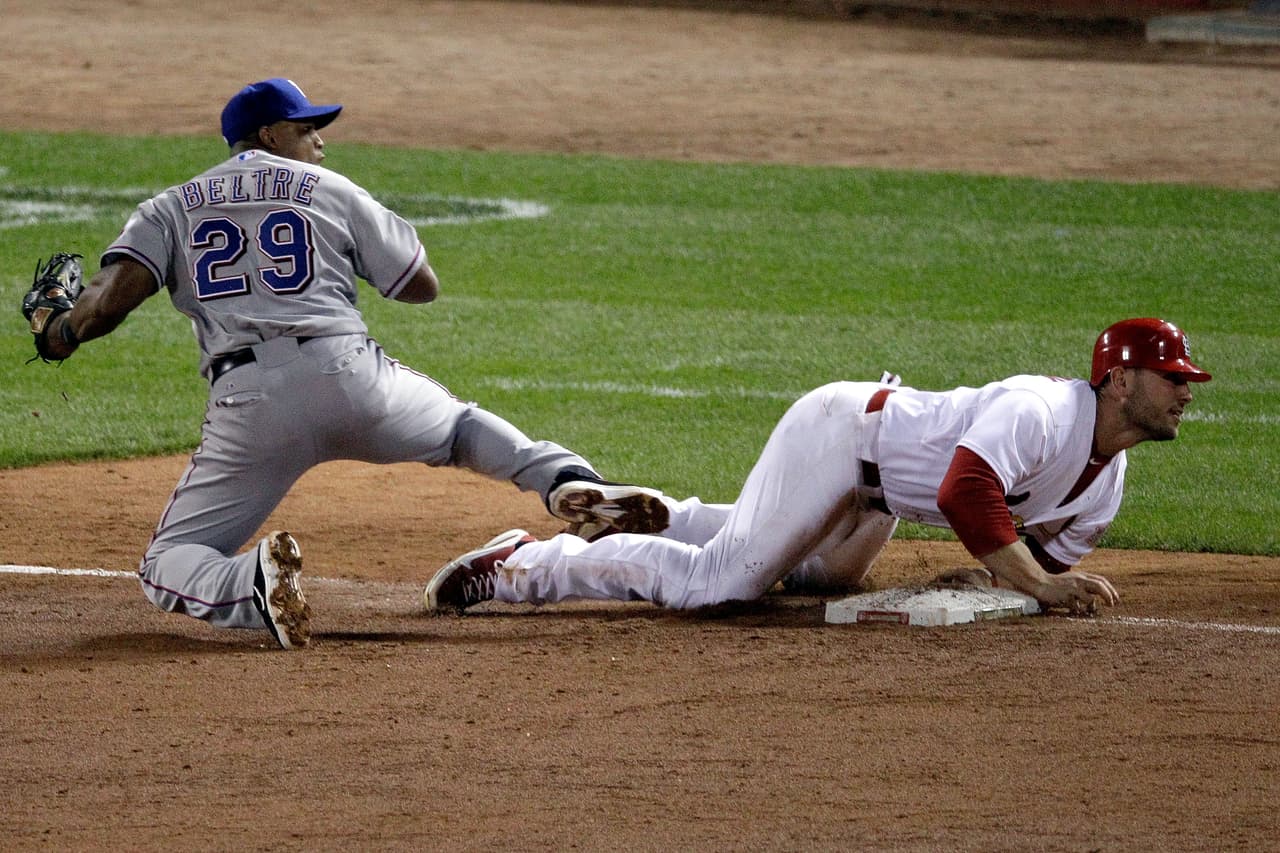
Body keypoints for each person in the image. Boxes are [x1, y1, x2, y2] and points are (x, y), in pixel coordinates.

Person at [35, 77, 666, 649]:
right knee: (457, 428)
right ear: (267, 135)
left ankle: (249, 586)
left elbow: (103, 308)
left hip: (249, 401)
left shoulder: (170, 206)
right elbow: (421, 284)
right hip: (352, 377)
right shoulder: (329, 189)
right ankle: (563, 483)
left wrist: (57, 331)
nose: (319, 142)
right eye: (307, 129)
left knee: (169, 559)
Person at [425, 318, 1211, 615]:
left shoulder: (1106, 482)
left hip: (876, 494)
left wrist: (1013, 582)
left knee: (817, 580)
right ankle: (529, 564)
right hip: (841, 436)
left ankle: (669, 512)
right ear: (1120, 379)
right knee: (720, 585)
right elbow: (966, 494)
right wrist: (1038, 584)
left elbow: (1024, 566)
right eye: (1172, 376)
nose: (1184, 390)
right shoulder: (1042, 410)